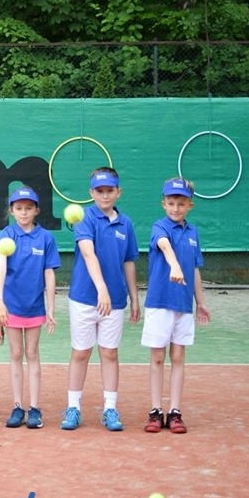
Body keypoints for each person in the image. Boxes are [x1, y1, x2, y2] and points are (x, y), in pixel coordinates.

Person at [61, 167, 140, 431]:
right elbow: (88, 253)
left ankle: (110, 409)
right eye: (99, 190)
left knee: (109, 353)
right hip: (85, 297)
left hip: (116, 300)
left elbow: (129, 262)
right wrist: (101, 289)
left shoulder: (125, 224)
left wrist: (134, 297)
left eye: (110, 190)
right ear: (91, 193)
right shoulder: (84, 218)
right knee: (81, 352)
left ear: (118, 192)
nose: (105, 195)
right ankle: (73, 407)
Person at [140, 178, 210, 434]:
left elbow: (194, 269)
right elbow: (164, 245)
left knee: (178, 357)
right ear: (163, 203)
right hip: (160, 303)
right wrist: (174, 265)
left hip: (183, 305)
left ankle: (176, 412)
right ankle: (156, 410)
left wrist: (200, 302)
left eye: (181, 204)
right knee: (158, 357)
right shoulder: (159, 227)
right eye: (171, 203)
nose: (176, 208)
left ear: (190, 205)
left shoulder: (192, 233)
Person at [0, 186, 60, 429]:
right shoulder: (6, 235)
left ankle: (34, 408)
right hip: (11, 307)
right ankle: (17, 406)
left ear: (36, 210)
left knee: (32, 354)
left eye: (28, 208)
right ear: (12, 211)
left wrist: (51, 308)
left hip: (34, 307)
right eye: (19, 208)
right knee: (15, 355)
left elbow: (49, 274)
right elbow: (0, 268)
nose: (24, 212)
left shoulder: (46, 238)